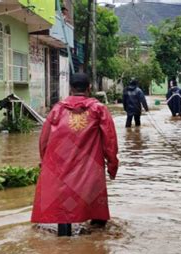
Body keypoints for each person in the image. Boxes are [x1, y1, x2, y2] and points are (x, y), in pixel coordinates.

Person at [31, 73, 119, 237]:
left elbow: (44, 140)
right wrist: (112, 165)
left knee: (63, 208)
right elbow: (110, 140)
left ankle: (66, 245)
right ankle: (94, 245)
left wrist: (45, 162)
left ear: (70, 88)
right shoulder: (98, 109)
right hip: (90, 171)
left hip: (61, 170)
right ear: (89, 88)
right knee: (97, 214)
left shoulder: (57, 110)